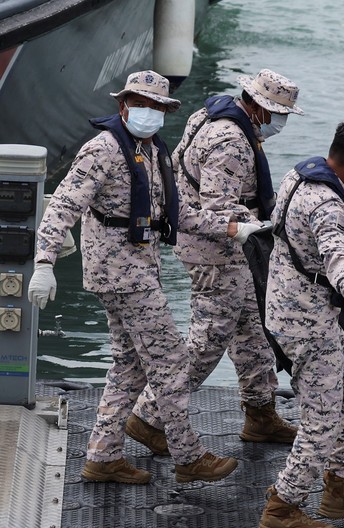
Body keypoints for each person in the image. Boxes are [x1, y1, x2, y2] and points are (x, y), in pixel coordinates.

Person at [27, 70, 238, 484]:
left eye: (158, 106)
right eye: (142, 104)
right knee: (172, 362)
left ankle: (102, 457)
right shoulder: (102, 150)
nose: (151, 112)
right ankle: (188, 456)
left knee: (129, 365)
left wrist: (230, 227)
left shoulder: (152, 151)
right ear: (123, 106)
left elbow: (172, 214)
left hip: (139, 270)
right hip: (121, 274)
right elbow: (63, 206)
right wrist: (44, 262)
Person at [126, 69, 303, 455]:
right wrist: (264, 226)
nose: (281, 121)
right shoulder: (231, 142)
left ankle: (260, 412)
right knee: (208, 339)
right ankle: (150, 415)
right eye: (278, 113)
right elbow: (219, 208)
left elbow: (177, 167)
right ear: (257, 106)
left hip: (213, 243)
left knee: (253, 328)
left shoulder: (208, 115)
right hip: (216, 249)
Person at [257, 119, 344, 528]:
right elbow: (336, 258)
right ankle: (283, 506)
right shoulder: (327, 204)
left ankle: (339, 486)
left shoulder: (299, 175)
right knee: (321, 420)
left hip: (292, 309)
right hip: (308, 324)